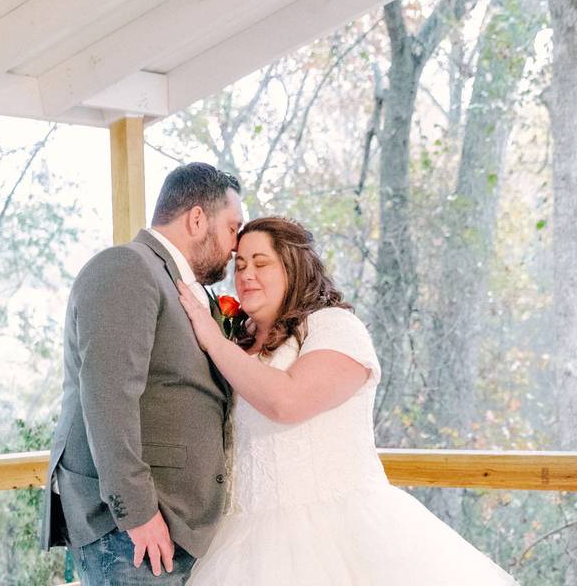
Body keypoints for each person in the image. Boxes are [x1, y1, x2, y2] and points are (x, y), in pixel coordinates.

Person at [176, 217, 519, 585]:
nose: (246, 275)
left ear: (295, 267)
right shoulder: (238, 339)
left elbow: (286, 401)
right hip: (241, 542)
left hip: (336, 534)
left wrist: (212, 339)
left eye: (261, 263)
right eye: (240, 265)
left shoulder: (334, 327)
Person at [40, 162, 244, 585]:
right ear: (197, 218)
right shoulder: (127, 268)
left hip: (173, 524)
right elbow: (108, 397)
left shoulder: (184, 289)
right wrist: (136, 513)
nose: (235, 247)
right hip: (132, 530)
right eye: (232, 228)